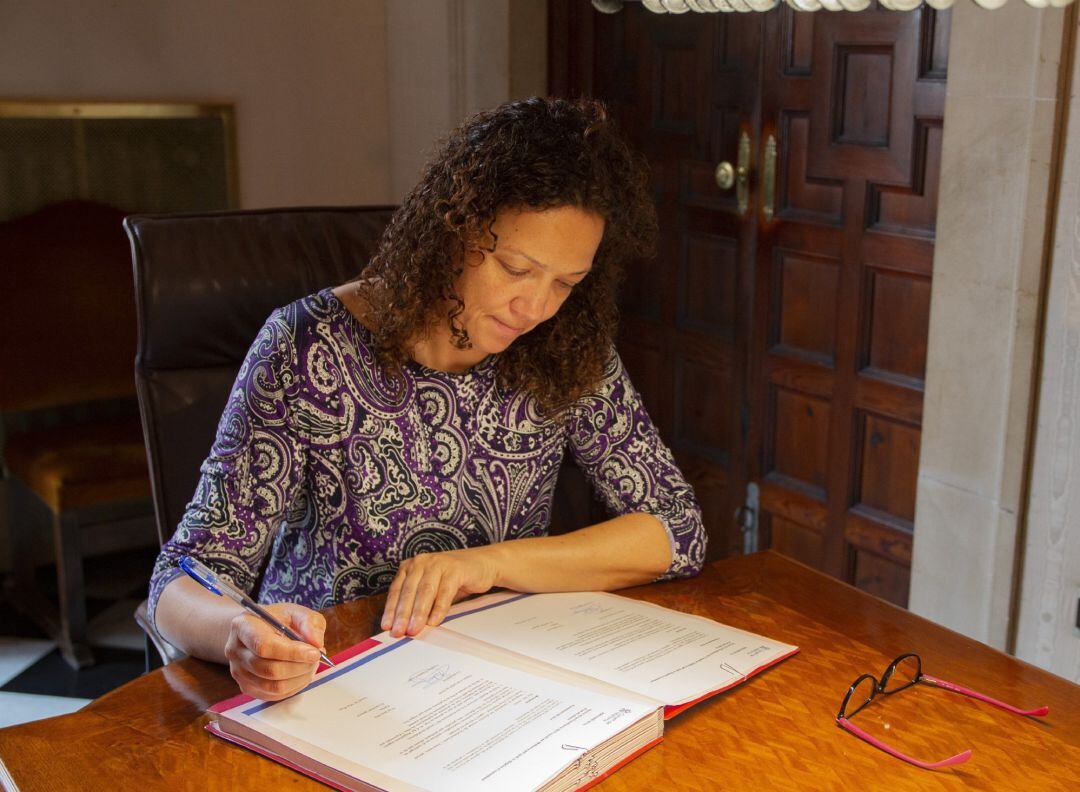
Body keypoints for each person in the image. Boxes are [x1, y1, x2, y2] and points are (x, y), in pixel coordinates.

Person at [149, 97, 706, 701]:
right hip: (335, 684)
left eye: (566, 283)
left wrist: (488, 563)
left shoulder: (568, 347)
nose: (538, 307)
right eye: (516, 268)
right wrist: (239, 631)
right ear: (453, 230)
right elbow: (178, 580)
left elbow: (674, 531)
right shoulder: (307, 348)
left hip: (490, 681)